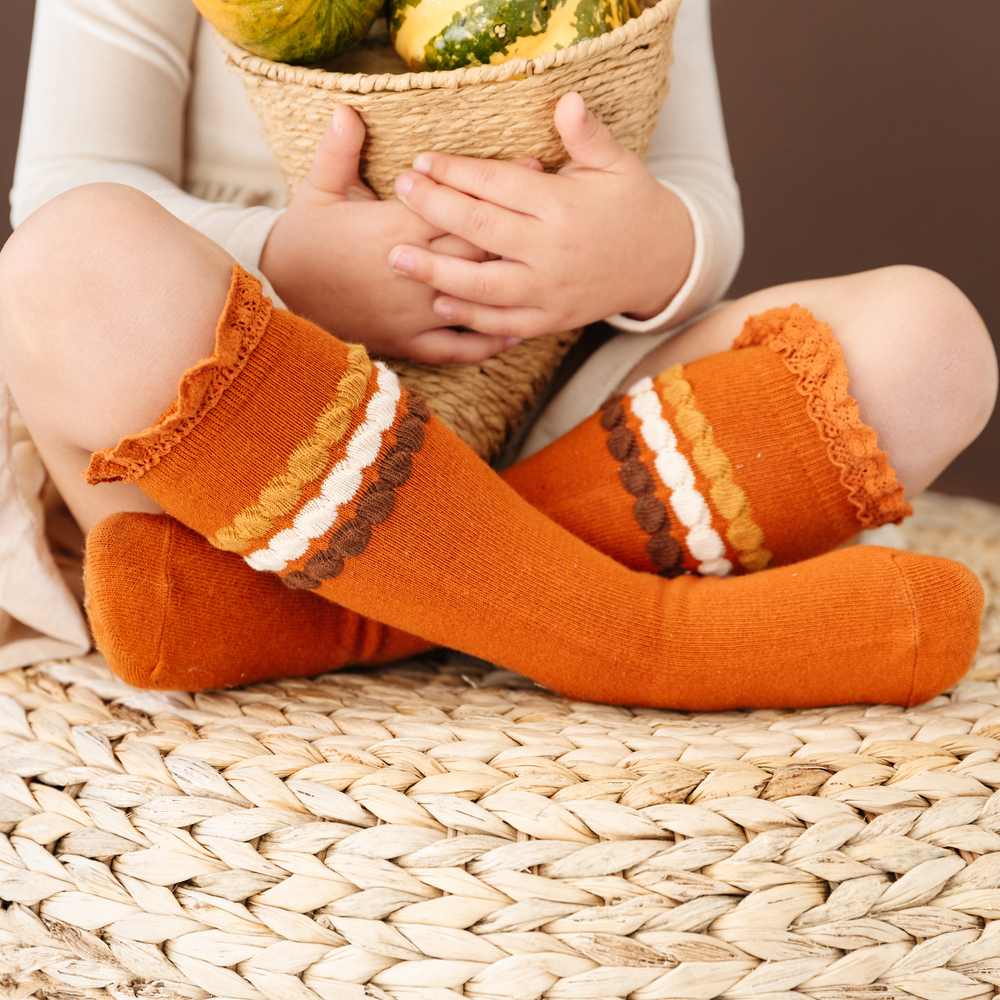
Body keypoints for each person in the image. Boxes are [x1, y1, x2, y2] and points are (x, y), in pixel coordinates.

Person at [0, 0, 995, 706]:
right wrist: (290, 266)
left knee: (929, 346)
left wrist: (641, 251)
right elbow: (66, 181)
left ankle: (334, 611)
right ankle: (633, 639)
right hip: (247, 463)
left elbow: (700, 202)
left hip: (548, 425)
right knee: (65, 261)